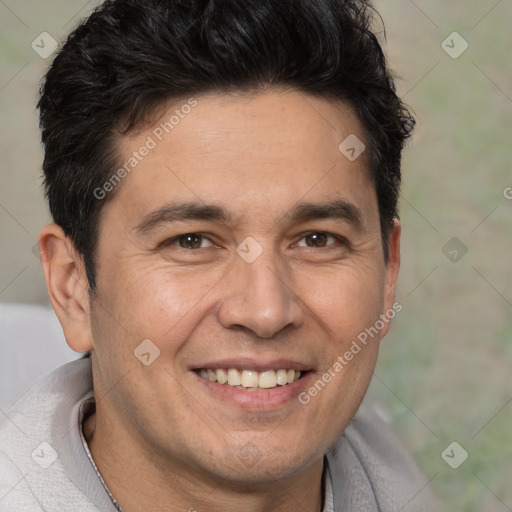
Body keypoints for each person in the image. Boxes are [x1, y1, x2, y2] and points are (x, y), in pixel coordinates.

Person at [0, 0, 442, 510]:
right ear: (72, 287)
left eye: (317, 239)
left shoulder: (407, 480)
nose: (265, 312)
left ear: (387, 273)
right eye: (191, 241)